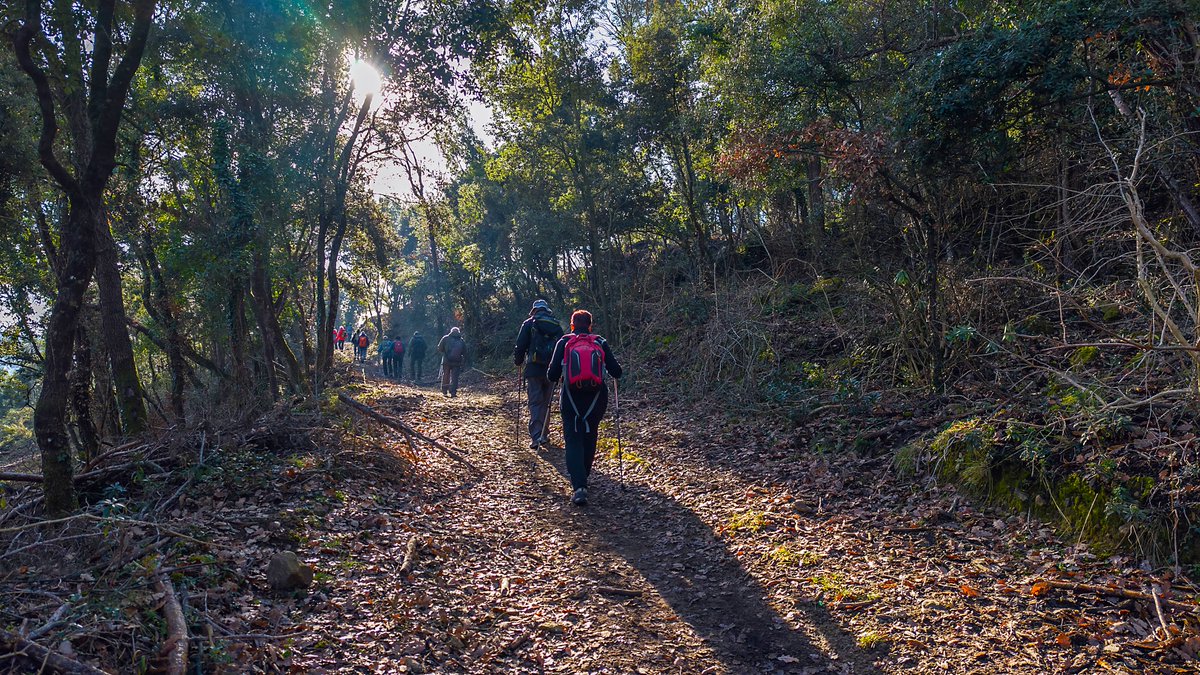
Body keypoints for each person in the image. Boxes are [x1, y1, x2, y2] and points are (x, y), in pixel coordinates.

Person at [546, 310, 622, 506]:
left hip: (571, 397)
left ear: (572, 325)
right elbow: (616, 371)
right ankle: (584, 475)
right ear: (590, 325)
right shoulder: (600, 342)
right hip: (597, 398)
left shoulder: (564, 342)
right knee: (590, 434)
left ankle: (579, 486)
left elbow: (552, 375)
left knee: (572, 439)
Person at [513, 299, 564, 449]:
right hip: (552, 369)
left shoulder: (529, 323)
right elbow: (563, 347)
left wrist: (518, 361)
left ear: (534, 310)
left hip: (533, 368)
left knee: (535, 402)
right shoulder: (556, 325)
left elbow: (520, 345)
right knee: (546, 402)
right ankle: (544, 434)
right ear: (547, 310)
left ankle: (536, 436)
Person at [437, 327, 467, 397]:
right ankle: (453, 392)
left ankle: (444, 390)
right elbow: (465, 352)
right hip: (457, 362)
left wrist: (445, 353)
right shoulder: (461, 340)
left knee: (446, 375)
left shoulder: (445, 338)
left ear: (451, 331)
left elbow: (440, 348)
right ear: (458, 332)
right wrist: (463, 362)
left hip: (446, 361)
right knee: (455, 377)